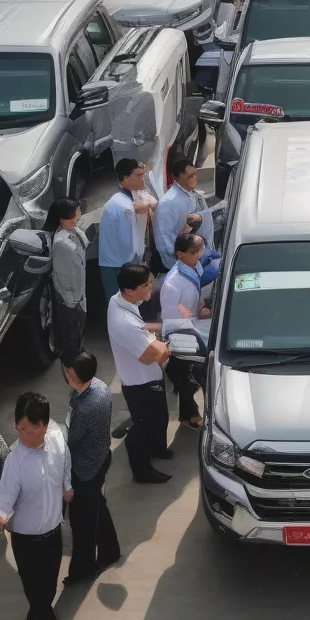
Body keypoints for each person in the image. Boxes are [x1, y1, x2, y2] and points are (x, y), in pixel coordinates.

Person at [0, 392, 71, 620]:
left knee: (46, 592)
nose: (26, 437)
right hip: (26, 541)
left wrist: (67, 485)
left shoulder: (58, 436)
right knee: (35, 592)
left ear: (45, 426)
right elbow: (4, 501)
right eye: (22, 430)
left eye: (32, 431)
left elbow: (65, 461)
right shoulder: (15, 461)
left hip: (52, 533)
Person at [106, 262, 172, 484]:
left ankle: (158, 450)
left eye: (151, 281)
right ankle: (142, 471)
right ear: (130, 290)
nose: (151, 288)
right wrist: (162, 345)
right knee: (142, 427)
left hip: (148, 379)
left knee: (160, 417)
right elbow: (152, 356)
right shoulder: (124, 322)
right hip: (140, 384)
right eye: (146, 285)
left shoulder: (120, 301)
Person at [61, 350, 121, 585]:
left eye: (68, 371)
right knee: (97, 509)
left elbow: (72, 438)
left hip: (86, 469)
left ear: (76, 375)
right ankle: (110, 550)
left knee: (82, 523)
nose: (65, 374)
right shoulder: (100, 386)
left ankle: (82, 570)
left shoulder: (86, 408)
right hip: (100, 458)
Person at [159, 232, 212, 429]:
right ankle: (190, 413)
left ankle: (189, 412)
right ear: (180, 254)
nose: (199, 253)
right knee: (188, 374)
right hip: (183, 333)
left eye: (201, 247)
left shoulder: (193, 265)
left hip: (195, 323)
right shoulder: (173, 284)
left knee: (190, 375)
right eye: (194, 251)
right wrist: (198, 313)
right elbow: (174, 320)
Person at [98, 158, 156, 300]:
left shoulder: (136, 194)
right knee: (119, 303)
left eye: (143, 175)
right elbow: (128, 241)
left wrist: (145, 204)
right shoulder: (120, 205)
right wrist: (138, 267)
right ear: (125, 178)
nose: (142, 179)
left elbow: (153, 202)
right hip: (118, 265)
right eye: (138, 176)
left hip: (130, 261)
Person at [154, 156, 215, 272]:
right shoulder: (168, 203)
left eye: (194, 175)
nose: (194, 179)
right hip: (177, 263)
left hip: (193, 255)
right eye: (189, 176)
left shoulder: (190, 194)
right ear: (176, 177)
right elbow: (163, 237)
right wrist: (181, 258)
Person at [50, 198, 88, 357]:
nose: (75, 219)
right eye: (69, 217)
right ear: (60, 218)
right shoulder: (62, 244)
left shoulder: (74, 232)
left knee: (78, 335)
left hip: (79, 297)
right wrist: (72, 300)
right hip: (71, 301)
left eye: (76, 214)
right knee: (72, 339)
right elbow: (58, 275)